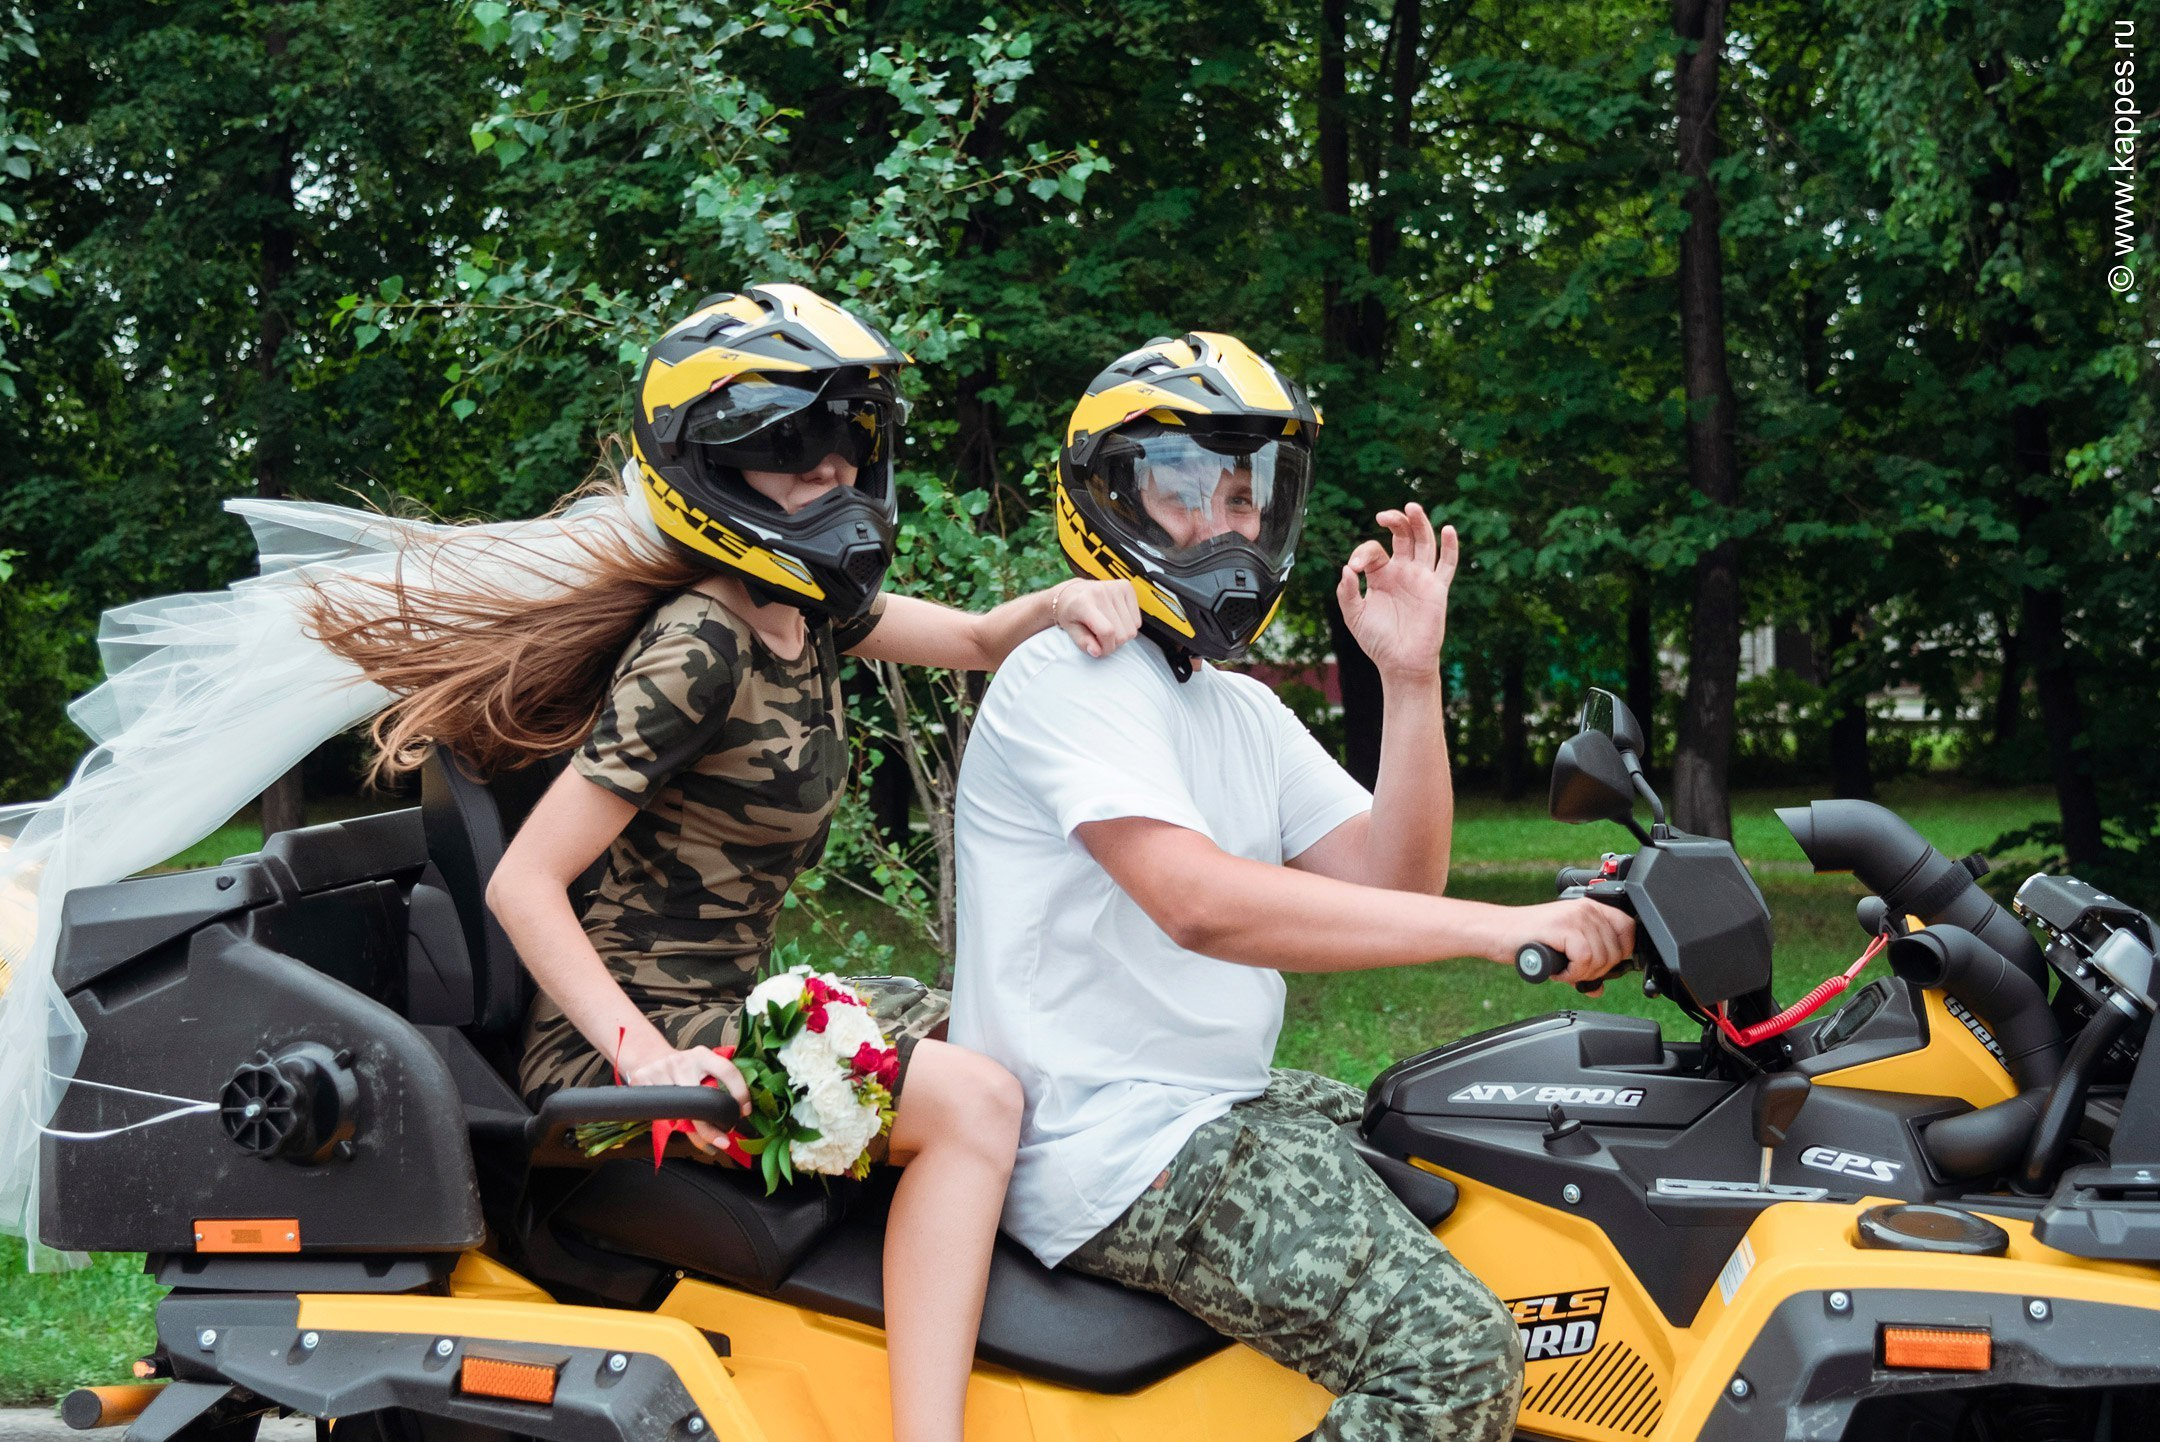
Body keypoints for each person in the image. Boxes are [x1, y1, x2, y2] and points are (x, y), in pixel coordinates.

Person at [300, 284, 1142, 1442]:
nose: (833, 466)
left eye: (848, 434)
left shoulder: (808, 607)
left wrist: (1070, 599)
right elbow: (521, 883)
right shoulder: (701, 639)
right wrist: (646, 1056)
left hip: (728, 1012)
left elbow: (978, 639)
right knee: (976, 1103)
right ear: (711, 465)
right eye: (791, 441)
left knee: (1010, 1037)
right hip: (626, 1063)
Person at [948, 332, 1636, 1442]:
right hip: (1112, 1144)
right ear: (1108, 498)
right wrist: (1501, 927)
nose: (1225, 525)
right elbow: (1200, 903)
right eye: (1185, 493)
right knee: (1454, 1355)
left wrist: (1409, 676)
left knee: (1474, 1147)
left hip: (1212, 1103)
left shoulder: (1237, 707)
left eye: (1243, 497)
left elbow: (1396, 880)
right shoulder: (1069, 678)